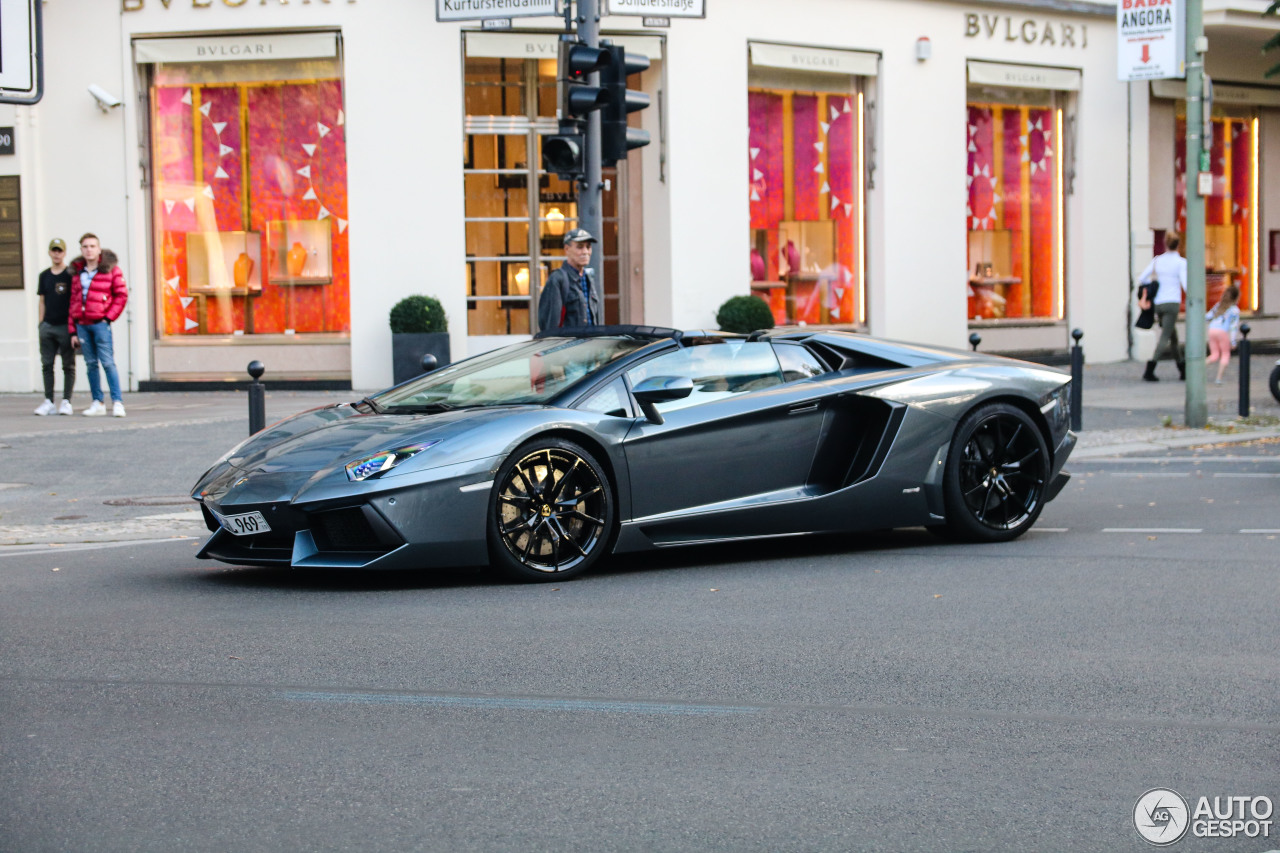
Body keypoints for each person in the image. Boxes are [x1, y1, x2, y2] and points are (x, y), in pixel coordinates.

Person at [68, 233, 128, 417]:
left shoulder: (111, 270)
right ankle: (98, 402)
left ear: (99, 249)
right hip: (82, 325)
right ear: (81, 250)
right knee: (91, 364)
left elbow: (121, 295)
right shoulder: (78, 273)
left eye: (92, 246)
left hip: (101, 324)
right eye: (85, 246)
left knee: (108, 363)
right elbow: (73, 302)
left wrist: (108, 317)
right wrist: (73, 331)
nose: (89, 250)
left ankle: (117, 402)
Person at [1136, 232, 1188, 382]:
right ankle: (1150, 368)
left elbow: (1142, 277)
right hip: (1172, 302)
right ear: (1178, 245)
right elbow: (1185, 284)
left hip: (1159, 303)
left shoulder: (1158, 260)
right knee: (1165, 336)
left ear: (1166, 244)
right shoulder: (1180, 262)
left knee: (1173, 336)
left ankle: (1182, 368)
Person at [34, 238, 76, 416]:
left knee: (68, 365)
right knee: (47, 364)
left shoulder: (70, 275)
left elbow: (74, 300)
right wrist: (41, 323)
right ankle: (49, 401)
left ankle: (66, 401)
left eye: (60, 250)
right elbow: (42, 300)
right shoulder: (44, 276)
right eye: (54, 250)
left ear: (64, 252)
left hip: (65, 326)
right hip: (48, 326)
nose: (57, 254)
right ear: (50, 253)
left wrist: (73, 326)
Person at [538, 228, 602, 332]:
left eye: (588, 247)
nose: (585, 252)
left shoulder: (588, 277)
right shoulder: (558, 279)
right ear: (567, 249)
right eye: (580, 247)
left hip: (590, 344)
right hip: (570, 346)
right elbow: (550, 325)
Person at [1206, 284, 1241, 385]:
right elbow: (1233, 327)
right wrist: (1233, 341)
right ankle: (1218, 378)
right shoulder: (1234, 310)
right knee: (1225, 355)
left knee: (1214, 355)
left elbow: (1208, 316)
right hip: (1222, 332)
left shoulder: (1218, 306)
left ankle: (1197, 371)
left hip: (1212, 330)